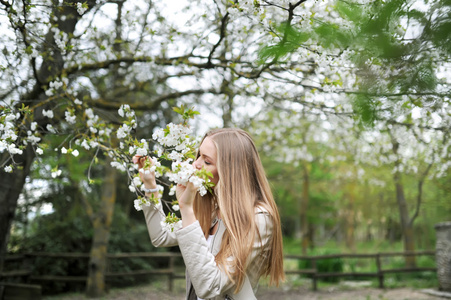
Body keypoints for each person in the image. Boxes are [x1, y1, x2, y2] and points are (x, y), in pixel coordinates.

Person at [134, 128, 285, 300]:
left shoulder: (259, 218)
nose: (195, 164)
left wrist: (186, 209)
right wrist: (149, 185)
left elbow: (210, 287)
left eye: (207, 161)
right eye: (198, 156)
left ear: (230, 171)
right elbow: (161, 236)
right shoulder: (213, 209)